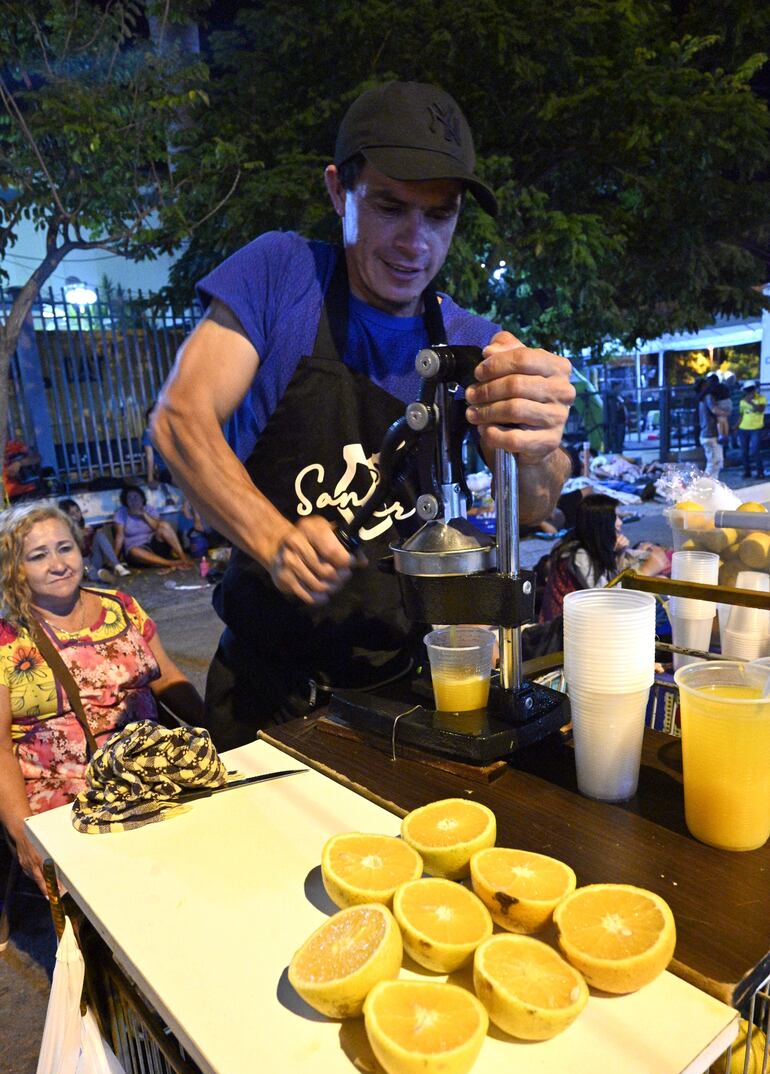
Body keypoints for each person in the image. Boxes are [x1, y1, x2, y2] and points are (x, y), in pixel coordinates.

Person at [152, 80, 575, 746]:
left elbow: (536, 502)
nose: (416, 242)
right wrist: (274, 537)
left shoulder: (468, 339)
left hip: (407, 693)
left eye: (440, 215)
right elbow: (180, 419)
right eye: (390, 206)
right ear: (337, 192)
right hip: (269, 697)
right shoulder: (280, 276)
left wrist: (537, 444)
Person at [0, 503, 205, 893]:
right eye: (38, 555)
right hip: (64, 788)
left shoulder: (121, 607)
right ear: (15, 569)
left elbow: (168, 678)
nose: (58, 564)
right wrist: (24, 833)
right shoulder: (7, 639)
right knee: (122, 888)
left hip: (147, 767)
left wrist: (219, 735)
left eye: (65, 548)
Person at [539, 493, 669, 622]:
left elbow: (612, 578)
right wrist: (644, 572)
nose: (620, 523)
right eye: (615, 517)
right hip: (569, 627)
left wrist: (620, 554)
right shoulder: (578, 555)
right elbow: (606, 598)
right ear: (602, 523)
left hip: (588, 616)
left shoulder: (593, 543)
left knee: (659, 584)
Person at [113, 485, 193, 570]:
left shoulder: (149, 509)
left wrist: (143, 514)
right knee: (134, 551)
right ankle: (171, 563)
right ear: (126, 502)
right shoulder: (121, 513)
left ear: (142, 499)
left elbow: (157, 526)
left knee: (164, 525)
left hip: (154, 545)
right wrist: (114, 560)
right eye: (129, 498)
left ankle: (183, 557)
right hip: (136, 551)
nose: (133, 500)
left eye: (136, 497)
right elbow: (119, 537)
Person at [58, 498, 131, 583]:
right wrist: (78, 537)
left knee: (99, 535)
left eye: (77, 511)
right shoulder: (63, 532)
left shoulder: (85, 526)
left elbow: (90, 549)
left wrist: (91, 536)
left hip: (93, 559)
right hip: (81, 564)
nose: (77, 515)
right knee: (87, 567)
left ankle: (117, 566)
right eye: (72, 514)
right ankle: (100, 576)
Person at [697, 373, 725, 479]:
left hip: (707, 434)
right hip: (710, 434)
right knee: (714, 463)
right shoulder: (708, 397)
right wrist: (725, 413)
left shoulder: (701, 398)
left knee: (715, 462)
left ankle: (711, 486)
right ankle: (705, 486)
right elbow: (715, 410)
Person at [738, 380, 767, 480]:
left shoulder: (761, 398)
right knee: (744, 452)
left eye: (751, 389)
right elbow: (741, 415)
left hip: (756, 429)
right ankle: (747, 471)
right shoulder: (742, 401)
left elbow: (761, 409)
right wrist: (735, 426)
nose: (750, 392)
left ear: (755, 389)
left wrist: (751, 402)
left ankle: (760, 472)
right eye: (748, 390)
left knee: (755, 450)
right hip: (743, 429)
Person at [143, 402, 173, 488]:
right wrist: (150, 479)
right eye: (150, 421)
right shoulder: (148, 433)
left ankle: (186, 501)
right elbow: (150, 457)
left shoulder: (172, 431)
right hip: (165, 470)